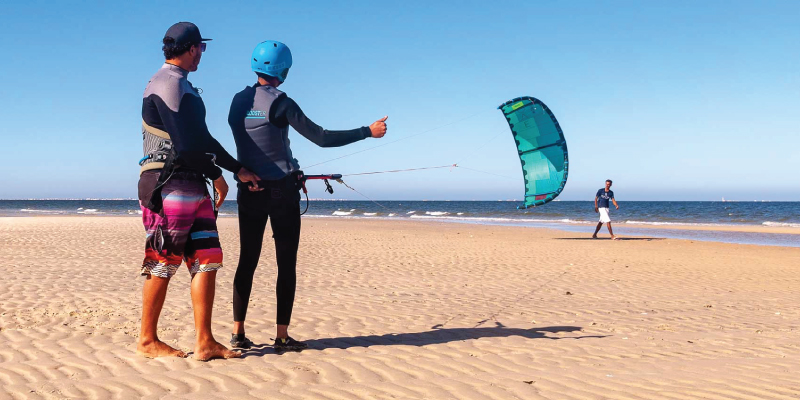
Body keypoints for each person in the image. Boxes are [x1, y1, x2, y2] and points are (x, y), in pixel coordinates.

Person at [228, 41, 388, 351]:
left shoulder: (237, 101)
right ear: (283, 71)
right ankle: (282, 335)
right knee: (285, 264)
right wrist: (367, 131)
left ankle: (238, 332)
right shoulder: (282, 102)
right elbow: (322, 138)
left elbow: (254, 140)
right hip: (280, 193)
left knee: (247, 260)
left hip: (248, 191)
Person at [137, 22, 261, 361]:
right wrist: (218, 176)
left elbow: (204, 140)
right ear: (192, 48)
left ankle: (205, 341)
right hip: (167, 182)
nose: (202, 55)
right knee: (163, 260)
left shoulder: (183, 86)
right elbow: (187, 144)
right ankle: (147, 340)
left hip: (191, 181)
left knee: (207, 259)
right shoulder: (166, 84)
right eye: (201, 48)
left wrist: (238, 168)